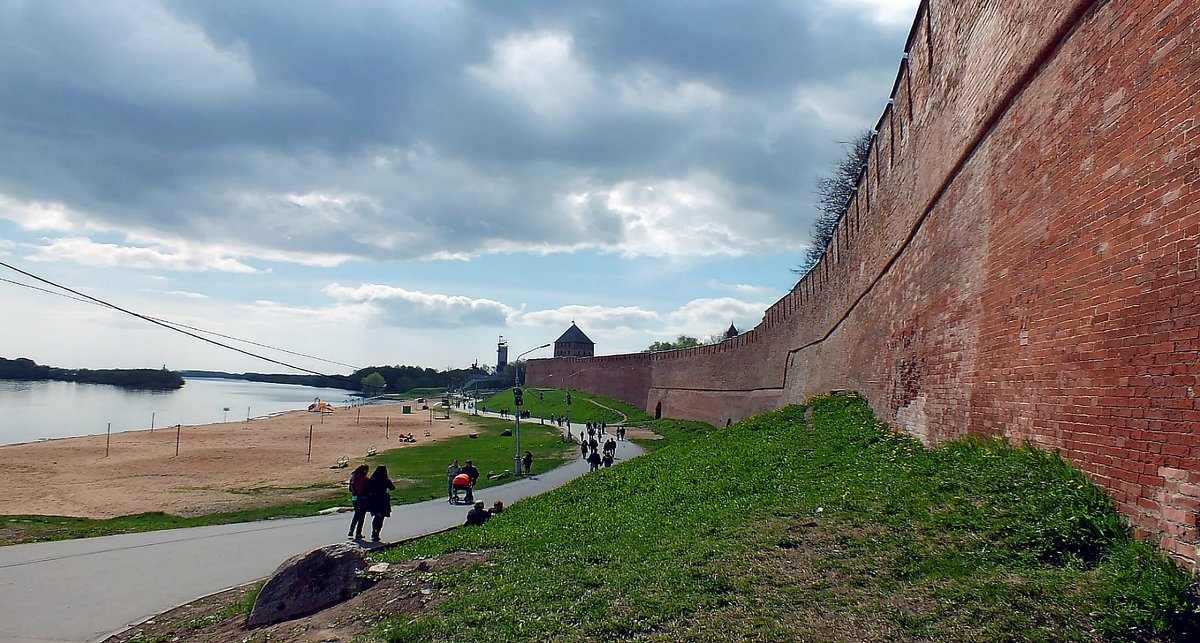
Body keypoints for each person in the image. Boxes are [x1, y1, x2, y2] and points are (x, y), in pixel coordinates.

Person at [365, 466, 396, 542]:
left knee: (376, 516)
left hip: (374, 499)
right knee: (381, 518)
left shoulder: (372, 480)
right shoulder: (385, 480)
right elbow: (393, 488)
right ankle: (377, 533)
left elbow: (367, 489)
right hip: (383, 499)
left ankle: (374, 532)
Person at [346, 464, 370, 540]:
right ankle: (358, 533)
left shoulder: (353, 478)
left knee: (356, 514)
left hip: (354, 497)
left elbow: (350, 489)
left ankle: (351, 530)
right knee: (362, 516)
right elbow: (367, 489)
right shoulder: (365, 479)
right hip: (362, 498)